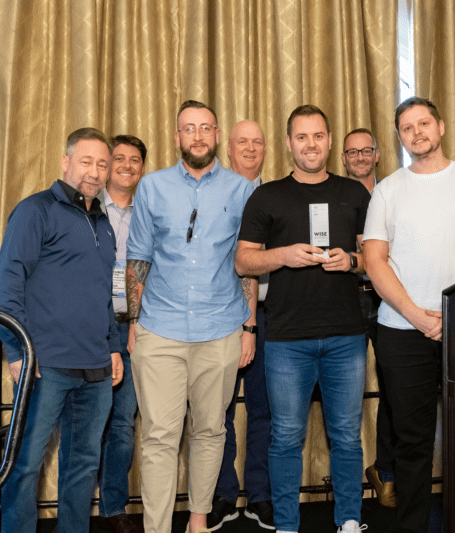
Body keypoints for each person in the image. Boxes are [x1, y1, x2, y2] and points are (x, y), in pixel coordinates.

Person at [363, 96, 455, 533]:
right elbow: (374, 261)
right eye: (406, 127)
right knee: (412, 444)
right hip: (401, 333)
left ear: (440, 127)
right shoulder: (388, 188)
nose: (416, 133)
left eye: (423, 123)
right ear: (400, 136)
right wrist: (418, 316)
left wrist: (451, 312)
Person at [235, 105, 370, 533]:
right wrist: (285, 256)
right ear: (289, 142)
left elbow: (376, 259)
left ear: (330, 141)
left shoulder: (356, 194)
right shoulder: (267, 196)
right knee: (286, 438)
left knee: (347, 436)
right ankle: (288, 526)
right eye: (301, 137)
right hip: (287, 339)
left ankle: (349, 520)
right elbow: (243, 261)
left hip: (347, 335)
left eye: (318, 136)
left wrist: (351, 261)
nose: (310, 145)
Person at [126, 100, 255, 533]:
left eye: (205, 128)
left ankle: (199, 520)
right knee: (159, 438)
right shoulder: (152, 187)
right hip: (159, 330)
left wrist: (249, 328)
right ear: (177, 136)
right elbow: (138, 259)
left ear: (217, 135)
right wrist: (132, 323)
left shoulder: (242, 190)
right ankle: (157, 528)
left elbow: (248, 264)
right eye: (188, 129)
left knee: (210, 431)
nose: (197, 136)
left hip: (221, 329)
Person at [0, 127, 123, 533]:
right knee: (25, 464)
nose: (95, 171)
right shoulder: (35, 210)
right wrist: (16, 352)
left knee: (83, 465)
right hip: (43, 367)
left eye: (103, 163)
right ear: (65, 162)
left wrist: (114, 347)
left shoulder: (103, 222)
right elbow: (6, 286)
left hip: (97, 368)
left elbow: (105, 295)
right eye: (86, 161)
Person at [207, 119, 274, 531]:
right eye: (242, 142)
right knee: (218, 412)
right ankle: (222, 495)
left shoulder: (281, 194)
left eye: (257, 142)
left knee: (268, 410)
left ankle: (262, 495)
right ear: (227, 149)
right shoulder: (212, 193)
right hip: (221, 316)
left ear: (267, 148)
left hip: (272, 317)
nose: (250, 149)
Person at [341, 127, 396, 508]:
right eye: (352, 152)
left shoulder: (394, 193)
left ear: (377, 154)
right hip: (348, 300)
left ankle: (387, 470)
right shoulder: (333, 196)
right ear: (343, 158)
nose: (359, 157)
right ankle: (345, 492)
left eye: (366, 151)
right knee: (345, 394)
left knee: (396, 386)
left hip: (390, 299)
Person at [97, 135, 147, 533]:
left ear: (142, 168)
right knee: (85, 422)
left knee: (123, 424)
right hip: (89, 326)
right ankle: (75, 506)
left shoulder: (148, 210)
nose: (127, 166)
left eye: (135, 160)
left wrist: (135, 322)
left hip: (133, 325)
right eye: (119, 158)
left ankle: (113, 508)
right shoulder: (88, 207)